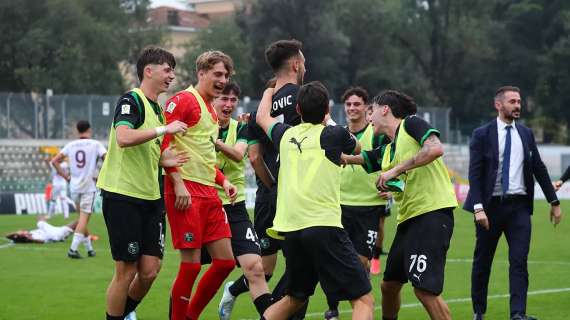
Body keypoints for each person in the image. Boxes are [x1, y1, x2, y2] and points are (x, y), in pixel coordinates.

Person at [257, 81, 374, 320]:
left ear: (298, 109)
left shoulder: (284, 134)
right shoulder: (334, 133)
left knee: (294, 298)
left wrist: (270, 90)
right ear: (327, 110)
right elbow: (358, 147)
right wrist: (328, 121)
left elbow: (261, 116)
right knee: (363, 299)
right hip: (323, 226)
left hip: (291, 230)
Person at [346, 90, 457, 320]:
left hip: (431, 214)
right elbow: (364, 158)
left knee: (424, 290)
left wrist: (395, 171)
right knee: (389, 285)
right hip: (409, 220)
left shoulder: (411, 124)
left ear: (385, 109)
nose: (369, 117)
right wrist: (339, 155)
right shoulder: (389, 148)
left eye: (371, 111)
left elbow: (435, 148)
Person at [96, 47, 188, 320]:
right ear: (149, 71)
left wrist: (165, 159)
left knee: (149, 270)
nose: (172, 75)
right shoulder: (131, 100)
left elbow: (148, 150)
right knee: (126, 271)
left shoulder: (158, 110)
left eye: (172, 70)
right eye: (167, 69)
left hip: (151, 197)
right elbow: (123, 137)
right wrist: (164, 130)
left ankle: (123, 314)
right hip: (123, 195)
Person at [221, 39, 308, 318]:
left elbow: (255, 157)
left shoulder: (262, 106)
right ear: (296, 64)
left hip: (268, 196)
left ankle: (235, 291)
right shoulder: (303, 97)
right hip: (294, 194)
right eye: (303, 61)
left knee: (266, 270)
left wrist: (271, 185)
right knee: (303, 270)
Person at [463, 86, 563, 320]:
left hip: (519, 208)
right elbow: (475, 175)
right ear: (498, 105)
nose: (517, 105)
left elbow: (538, 167)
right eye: (512, 101)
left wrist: (554, 200)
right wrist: (478, 208)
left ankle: (518, 313)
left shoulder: (526, 134)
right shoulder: (482, 134)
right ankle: (479, 311)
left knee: (519, 260)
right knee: (482, 261)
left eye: (519, 101)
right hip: (489, 208)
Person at [162, 50, 238, 320]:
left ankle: (189, 316)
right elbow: (163, 146)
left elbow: (204, 155)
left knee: (226, 262)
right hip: (186, 191)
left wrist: (224, 180)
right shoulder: (184, 100)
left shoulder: (212, 112)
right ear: (201, 73)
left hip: (209, 191)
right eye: (217, 74)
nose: (222, 80)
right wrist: (178, 182)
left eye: (226, 75)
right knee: (191, 266)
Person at [196, 82, 273, 320]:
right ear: (212, 101)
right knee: (186, 271)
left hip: (234, 208)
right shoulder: (198, 127)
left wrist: (214, 142)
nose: (228, 104)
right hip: (204, 209)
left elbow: (240, 153)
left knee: (256, 269)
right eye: (223, 99)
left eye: (232, 100)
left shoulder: (240, 128)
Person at [324, 87, 390, 320]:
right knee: (334, 259)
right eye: (349, 105)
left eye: (357, 104)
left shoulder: (377, 134)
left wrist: (391, 186)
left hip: (368, 207)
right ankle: (332, 309)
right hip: (338, 205)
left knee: (361, 262)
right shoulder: (337, 134)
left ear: (366, 107)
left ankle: (361, 306)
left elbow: (391, 160)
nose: (352, 108)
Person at [51, 120, 107, 259]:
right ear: (89, 130)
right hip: (88, 186)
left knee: (82, 219)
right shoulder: (95, 144)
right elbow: (107, 159)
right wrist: (100, 176)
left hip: (74, 187)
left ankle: (89, 249)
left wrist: (66, 177)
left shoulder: (71, 145)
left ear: (77, 130)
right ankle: (73, 249)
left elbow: (54, 161)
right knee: (83, 219)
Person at [6, 218, 78, 244]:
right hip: (56, 233)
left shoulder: (32, 232)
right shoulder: (34, 237)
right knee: (79, 222)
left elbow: (7, 236)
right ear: (24, 236)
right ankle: (88, 238)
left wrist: (16, 233)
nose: (22, 230)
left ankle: (66, 236)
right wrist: (30, 239)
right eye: (21, 232)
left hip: (54, 230)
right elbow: (42, 241)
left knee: (40, 219)